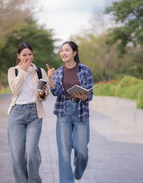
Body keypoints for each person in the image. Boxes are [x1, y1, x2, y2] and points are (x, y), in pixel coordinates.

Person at [46, 41, 93, 183]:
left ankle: (78, 173)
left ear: (74, 53)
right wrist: (50, 78)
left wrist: (84, 96)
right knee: (64, 153)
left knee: (82, 150)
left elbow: (90, 94)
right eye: (61, 51)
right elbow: (56, 92)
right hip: (63, 112)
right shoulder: (59, 72)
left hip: (81, 112)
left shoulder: (85, 70)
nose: (63, 53)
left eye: (66, 50)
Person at [7, 42, 49, 183]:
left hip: (34, 114)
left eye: (29, 54)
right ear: (18, 56)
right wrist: (23, 71)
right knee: (17, 153)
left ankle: (35, 180)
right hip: (16, 114)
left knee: (31, 151)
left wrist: (43, 93)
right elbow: (15, 91)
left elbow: (44, 96)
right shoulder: (13, 71)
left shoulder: (40, 71)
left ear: (33, 55)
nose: (27, 57)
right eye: (24, 55)